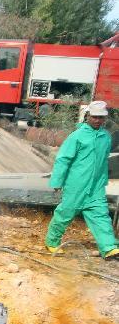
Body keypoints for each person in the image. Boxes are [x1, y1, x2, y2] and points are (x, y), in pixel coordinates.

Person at [45, 100, 119, 259]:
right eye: (95, 117)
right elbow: (63, 159)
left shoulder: (105, 137)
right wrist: (57, 181)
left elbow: (103, 160)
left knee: (100, 215)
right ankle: (52, 242)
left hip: (96, 186)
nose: (98, 120)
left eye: (101, 117)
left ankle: (109, 247)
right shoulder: (77, 136)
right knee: (65, 213)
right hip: (76, 185)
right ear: (88, 116)